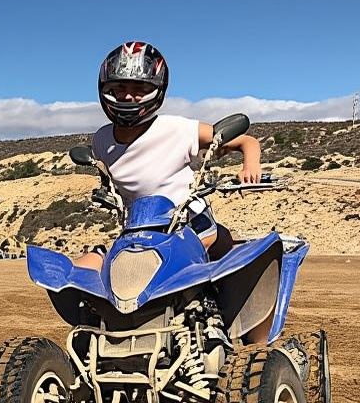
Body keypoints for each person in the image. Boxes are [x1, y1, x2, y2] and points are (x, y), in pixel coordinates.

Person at [76, 41, 268, 339]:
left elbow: (246, 140)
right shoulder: (102, 140)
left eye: (138, 88)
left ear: (156, 88)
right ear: (106, 88)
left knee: (233, 262)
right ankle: (93, 335)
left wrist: (250, 165)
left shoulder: (179, 129)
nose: (128, 95)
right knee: (83, 269)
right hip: (137, 231)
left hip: (188, 224)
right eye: (120, 87)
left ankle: (250, 343)